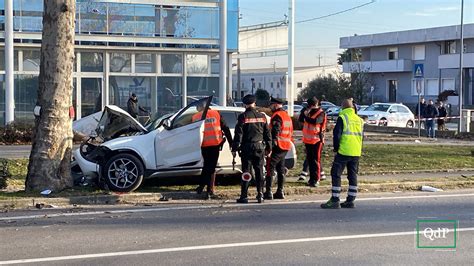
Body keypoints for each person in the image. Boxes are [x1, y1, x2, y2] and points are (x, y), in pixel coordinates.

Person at [321, 99, 364, 209]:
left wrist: (336, 148)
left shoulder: (343, 118)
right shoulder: (359, 120)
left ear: (343, 107)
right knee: (352, 175)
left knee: (336, 173)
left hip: (344, 150)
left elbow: (337, 135)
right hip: (356, 151)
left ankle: (335, 199)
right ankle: (350, 200)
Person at [232, 94, 272, 204]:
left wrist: (234, 148)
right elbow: (267, 134)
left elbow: (238, 134)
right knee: (259, 171)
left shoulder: (243, 117)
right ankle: (260, 194)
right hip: (259, 147)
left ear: (245, 104)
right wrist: (269, 147)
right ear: (254, 103)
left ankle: (244, 196)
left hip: (246, 148)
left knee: (246, 171)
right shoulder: (262, 116)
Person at [192, 104, 233, 200]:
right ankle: (209, 191)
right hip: (215, 144)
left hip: (203, 145)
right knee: (211, 168)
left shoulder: (196, 117)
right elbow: (226, 128)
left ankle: (201, 186)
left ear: (200, 108)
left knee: (206, 166)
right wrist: (231, 143)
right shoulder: (216, 113)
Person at [263, 97, 294, 200]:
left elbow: (275, 131)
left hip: (278, 145)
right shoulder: (286, 116)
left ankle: (268, 192)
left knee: (270, 167)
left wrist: (270, 147)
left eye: (271, 105)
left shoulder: (277, 116)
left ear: (275, 105)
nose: (270, 107)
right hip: (285, 146)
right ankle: (280, 191)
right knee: (280, 168)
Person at [301, 97, 327, 187]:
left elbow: (316, 121)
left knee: (316, 161)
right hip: (308, 140)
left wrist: (305, 116)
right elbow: (301, 119)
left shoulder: (321, 113)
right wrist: (304, 112)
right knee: (311, 161)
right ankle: (311, 179)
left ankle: (316, 179)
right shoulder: (308, 112)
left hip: (317, 140)